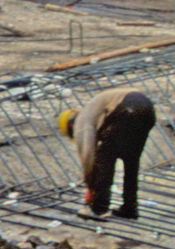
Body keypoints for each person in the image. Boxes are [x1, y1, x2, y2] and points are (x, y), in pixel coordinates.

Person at [56, 88, 158, 220]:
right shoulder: (94, 111)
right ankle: (130, 208)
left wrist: (90, 187)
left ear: (71, 126)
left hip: (127, 108)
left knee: (104, 159)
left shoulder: (82, 121)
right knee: (131, 159)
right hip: (147, 109)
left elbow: (88, 157)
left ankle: (99, 209)